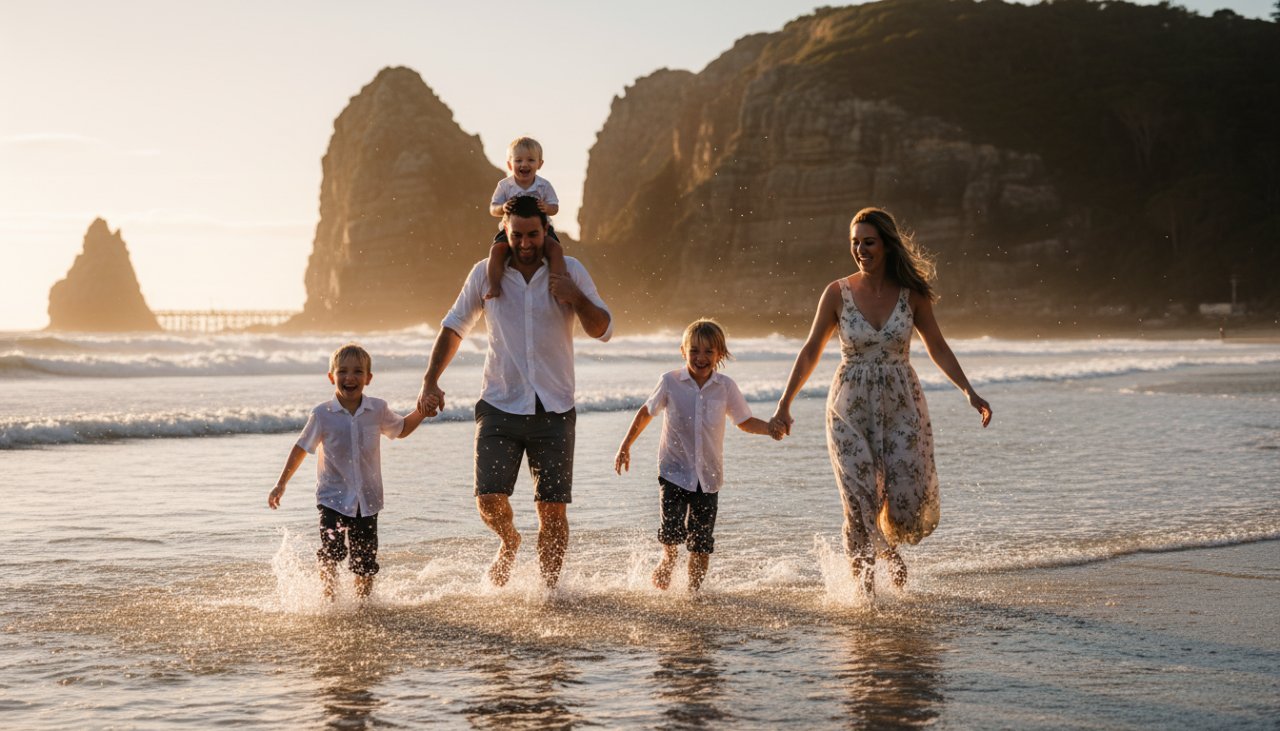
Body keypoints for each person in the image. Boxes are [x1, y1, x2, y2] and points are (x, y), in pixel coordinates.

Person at [769, 207, 992, 596]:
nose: (860, 250)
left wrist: (968, 391)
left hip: (902, 402)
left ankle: (887, 551)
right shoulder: (836, 293)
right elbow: (810, 351)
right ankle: (864, 595)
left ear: (886, 244)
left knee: (904, 497)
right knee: (859, 497)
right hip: (848, 405)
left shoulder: (913, 295)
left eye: (868, 242)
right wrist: (785, 403)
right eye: (854, 242)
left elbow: (937, 347)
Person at [417, 195, 612, 588]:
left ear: (546, 231)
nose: (526, 243)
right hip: (499, 403)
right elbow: (454, 327)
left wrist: (574, 295)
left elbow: (603, 329)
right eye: (518, 235)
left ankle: (549, 591)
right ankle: (509, 542)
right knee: (488, 499)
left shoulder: (569, 270)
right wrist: (430, 379)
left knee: (552, 510)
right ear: (505, 233)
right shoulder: (483, 275)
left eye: (534, 234)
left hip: (554, 408)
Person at [614, 319, 781, 594]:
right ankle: (667, 560)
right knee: (671, 534)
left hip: (709, 477)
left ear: (720, 354)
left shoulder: (726, 387)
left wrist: (769, 429)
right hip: (673, 472)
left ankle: (693, 594)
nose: (700, 358)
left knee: (701, 544)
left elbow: (744, 420)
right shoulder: (670, 382)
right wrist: (625, 445)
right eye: (694, 351)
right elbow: (646, 412)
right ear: (683, 351)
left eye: (708, 352)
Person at [268, 343, 427, 600]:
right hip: (332, 499)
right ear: (331, 376)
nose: (349, 377)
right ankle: (329, 599)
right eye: (342, 371)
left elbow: (402, 429)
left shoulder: (377, 409)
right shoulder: (322, 414)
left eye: (357, 372)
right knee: (331, 553)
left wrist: (422, 410)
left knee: (364, 559)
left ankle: (363, 603)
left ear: (368, 378)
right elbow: (301, 448)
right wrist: (281, 484)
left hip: (367, 500)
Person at [486, 136, 563, 300]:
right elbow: (493, 209)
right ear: (509, 164)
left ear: (540, 164)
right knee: (496, 251)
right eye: (518, 160)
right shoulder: (505, 186)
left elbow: (555, 207)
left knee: (556, 249)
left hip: (542, 231)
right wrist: (503, 208)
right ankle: (494, 286)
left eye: (530, 160)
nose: (524, 164)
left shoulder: (544, 186)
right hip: (510, 232)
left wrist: (547, 208)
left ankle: (558, 286)